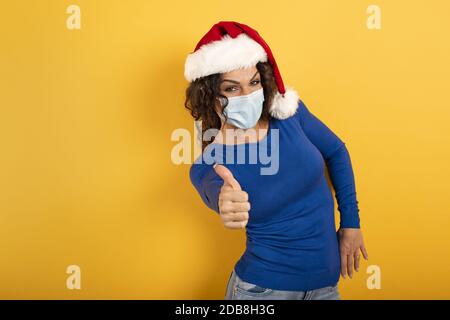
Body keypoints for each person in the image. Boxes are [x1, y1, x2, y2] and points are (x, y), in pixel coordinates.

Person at [184, 21, 368, 300]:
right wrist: (225, 200)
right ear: (210, 96)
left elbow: (336, 152)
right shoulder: (209, 165)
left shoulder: (289, 115)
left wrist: (351, 223)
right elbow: (215, 191)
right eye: (232, 89)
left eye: (254, 83)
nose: (247, 95)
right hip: (261, 292)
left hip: (327, 289)